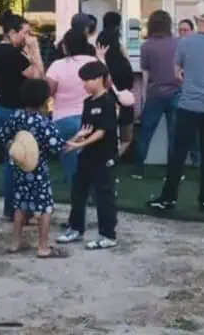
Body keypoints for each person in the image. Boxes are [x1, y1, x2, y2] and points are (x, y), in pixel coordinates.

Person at [147, 2, 204, 212]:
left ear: (195, 18)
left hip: (190, 103)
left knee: (178, 153)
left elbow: (177, 73)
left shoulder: (185, 43)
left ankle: (168, 198)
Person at [0, 79, 68, 258]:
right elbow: (57, 146)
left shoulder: (16, 117)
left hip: (20, 167)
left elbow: (0, 137)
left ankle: (15, 242)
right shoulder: (43, 123)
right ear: (44, 99)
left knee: (20, 204)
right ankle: (43, 246)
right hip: (38, 170)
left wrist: (13, 146)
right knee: (45, 207)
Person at [57, 61, 120, 250]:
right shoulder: (87, 102)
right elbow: (86, 128)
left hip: (104, 155)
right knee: (78, 190)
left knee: (104, 194)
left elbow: (102, 132)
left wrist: (79, 144)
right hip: (87, 155)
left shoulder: (108, 102)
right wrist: (73, 140)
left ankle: (108, 234)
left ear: (99, 79)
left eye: (87, 81)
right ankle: (76, 228)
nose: (84, 85)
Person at [0, 14, 44, 219]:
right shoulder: (12, 54)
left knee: (11, 159)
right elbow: (38, 78)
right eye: (24, 33)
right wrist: (36, 51)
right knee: (24, 159)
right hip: (18, 111)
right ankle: (20, 208)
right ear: (12, 32)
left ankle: (12, 208)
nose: (27, 37)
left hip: (3, 107)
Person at [134, 9, 181, 179]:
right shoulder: (178, 43)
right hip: (176, 92)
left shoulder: (146, 46)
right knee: (174, 135)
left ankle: (138, 169)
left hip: (154, 93)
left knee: (146, 132)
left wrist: (144, 98)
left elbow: (145, 74)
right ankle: (173, 172)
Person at [46, 30, 97, 183]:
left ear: (65, 47)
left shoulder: (57, 65)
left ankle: (75, 186)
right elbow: (106, 85)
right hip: (91, 116)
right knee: (92, 156)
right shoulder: (94, 62)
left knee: (69, 156)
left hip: (63, 117)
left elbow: (49, 90)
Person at [97, 12, 135, 156]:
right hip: (123, 101)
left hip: (105, 101)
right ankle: (114, 158)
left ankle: (106, 160)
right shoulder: (123, 62)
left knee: (106, 135)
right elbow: (129, 80)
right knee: (126, 137)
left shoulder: (100, 64)